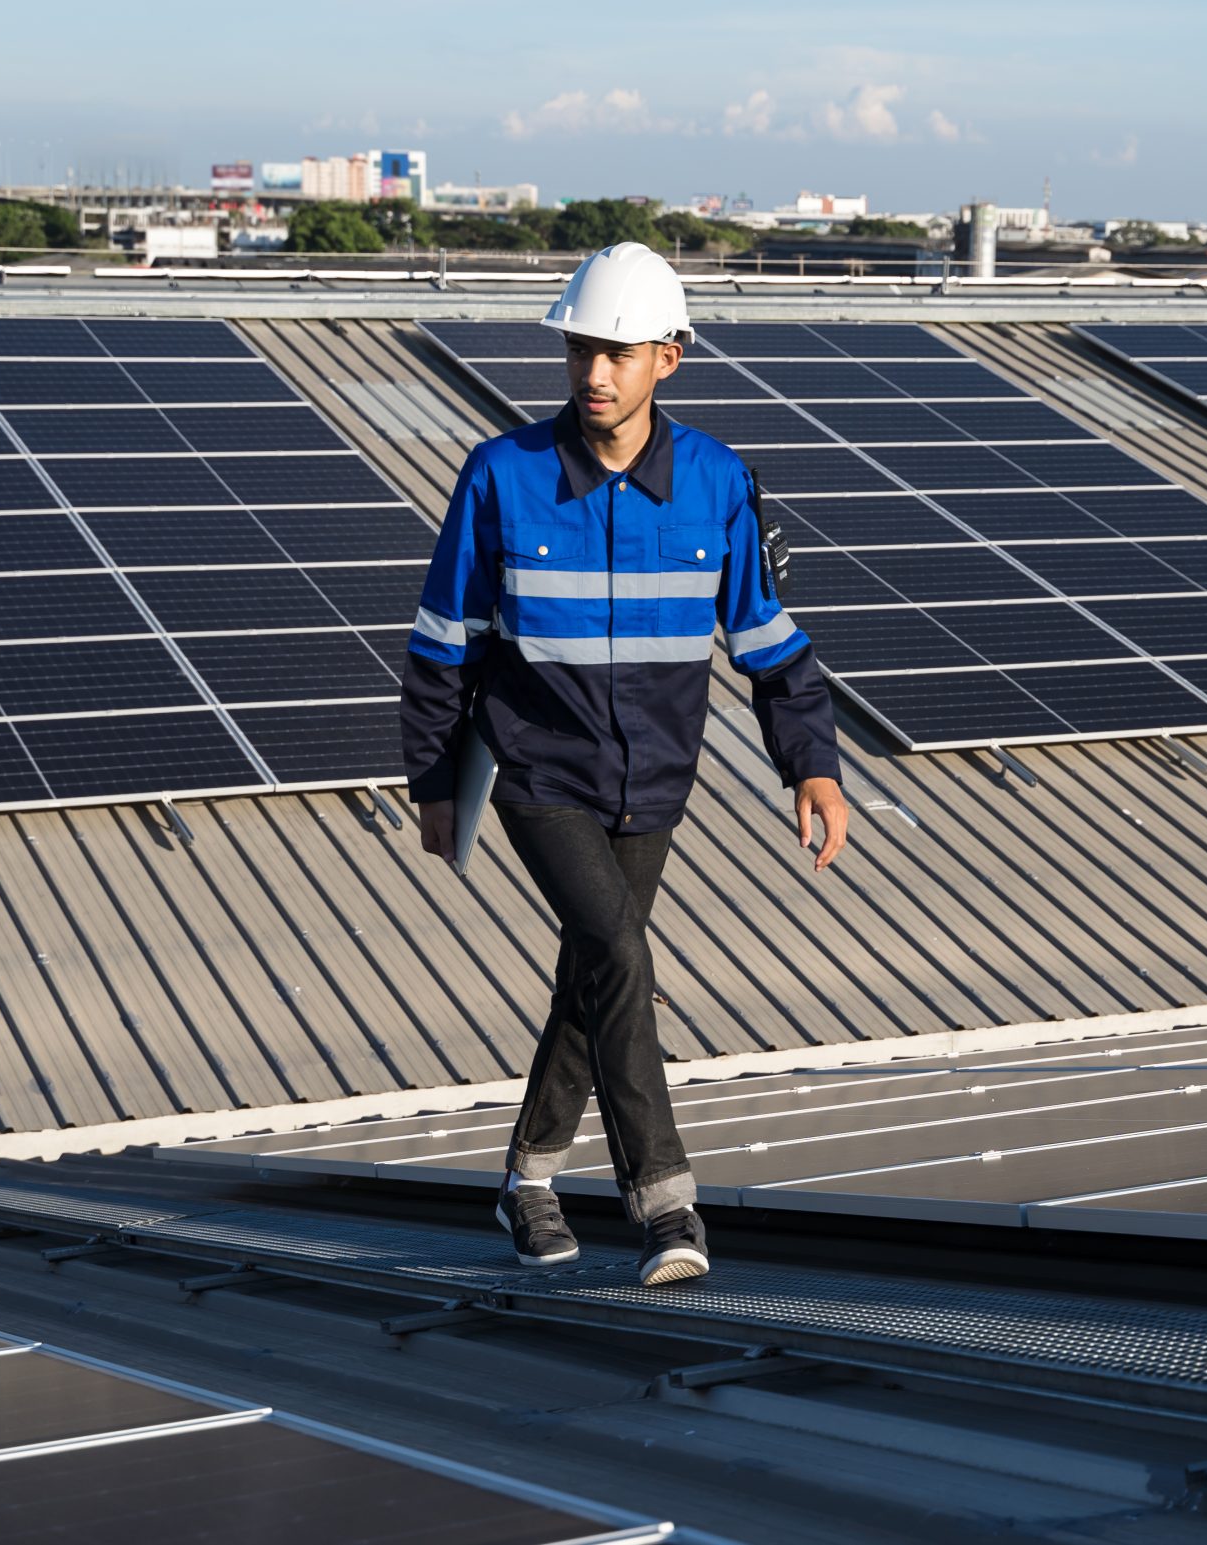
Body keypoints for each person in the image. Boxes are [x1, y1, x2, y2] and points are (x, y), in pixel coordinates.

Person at [400, 241, 848, 1287]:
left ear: (668, 360)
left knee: (594, 973)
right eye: (578, 349)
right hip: (535, 772)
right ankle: (665, 1206)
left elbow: (769, 644)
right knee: (620, 957)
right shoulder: (501, 475)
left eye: (616, 352)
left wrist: (811, 766)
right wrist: (432, 780)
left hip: (655, 781)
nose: (593, 373)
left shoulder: (715, 483)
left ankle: (526, 1181)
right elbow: (439, 642)